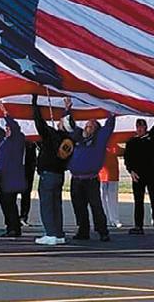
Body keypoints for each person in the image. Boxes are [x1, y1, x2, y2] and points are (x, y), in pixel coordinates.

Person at [66, 102, 115, 242]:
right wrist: (67, 109)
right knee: (79, 206)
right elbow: (69, 125)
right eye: (87, 125)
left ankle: (102, 231)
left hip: (91, 179)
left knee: (96, 206)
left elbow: (109, 127)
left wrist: (111, 112)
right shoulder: (78, 136)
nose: (88, 127)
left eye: (92, 126)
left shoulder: (99, 140)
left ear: (97, 130)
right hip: (76, 179)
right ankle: (83, 231)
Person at [31, 94, 74, 246]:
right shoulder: (69, 140)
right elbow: (67, 124)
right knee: (56, 205)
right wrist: (67, 109)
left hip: (48, 175)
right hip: (59, 175)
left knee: (47, 205)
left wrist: (34, 104)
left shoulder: (52, 136)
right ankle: (58, 233)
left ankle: (50, 234)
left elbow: (39, 122)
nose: (59, 122)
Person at [0, 103, 27, 237]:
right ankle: (9, 226)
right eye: (6, 128)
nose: (7, 129)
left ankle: (15, 228)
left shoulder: (18, 139)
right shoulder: (3, 138)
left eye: (8, 128)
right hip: (1, 176)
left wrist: (5, 112)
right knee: (4, 203)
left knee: (10, 203)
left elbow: (14, 126)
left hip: (11, 177)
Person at [124, 116, 154, 235]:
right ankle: (138, 226)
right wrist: (131, 171)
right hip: (137, 175)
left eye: (142, 127)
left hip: (151, 174)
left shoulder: (151, 137)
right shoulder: (131, 142)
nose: (140, 129)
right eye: (138, 127)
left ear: (146, 128)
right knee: (138, 201)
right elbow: (127, 159)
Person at [99, 141, 124, 229]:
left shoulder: (113, 142)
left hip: (113, 174)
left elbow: (121, 151)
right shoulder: (98, 143)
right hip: (100, 174)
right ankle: (103, 219)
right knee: (101, 197)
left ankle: (114, 219)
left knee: (113, 198)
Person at [19, 140, 37, 227]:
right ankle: (14, 218)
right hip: (17, 167)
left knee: (26, 193)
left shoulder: (31, 141)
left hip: (28, 167)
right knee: (11, 194)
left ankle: (23, 217)